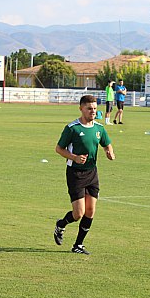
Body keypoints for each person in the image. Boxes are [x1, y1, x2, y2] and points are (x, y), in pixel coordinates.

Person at [53, 95, 115, 255]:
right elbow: (59, 149)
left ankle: (78, 245)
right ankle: (61, 224)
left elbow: (106, 143)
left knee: (90, 211)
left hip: (92, 173)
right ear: (81, 109)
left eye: (94, 109)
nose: (93, 111)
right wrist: (74, 157)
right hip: (75, 174)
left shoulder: (99, 129)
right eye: (89, 108)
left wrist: (109, 152)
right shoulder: (72, 128)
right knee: (78, 213)